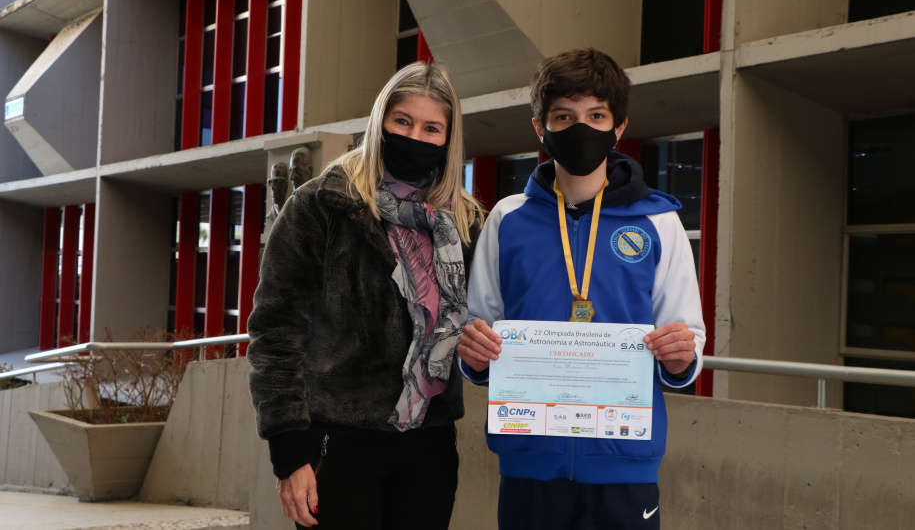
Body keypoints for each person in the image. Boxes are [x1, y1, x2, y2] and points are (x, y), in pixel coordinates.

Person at [457, 48, 705, 530]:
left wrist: (681, 356)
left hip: (623, 458)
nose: (580, 129)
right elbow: (478, 325)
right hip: (530, 455)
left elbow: (688, 338)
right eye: (563, 117)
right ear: (540, 128)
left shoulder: (659, 221)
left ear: (619, 127)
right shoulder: (508, 219)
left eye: (596, 116)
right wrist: (475, 351)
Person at [247, 61, 485, 530]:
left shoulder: (466, 222)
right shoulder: (321, 206)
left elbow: (482, 325)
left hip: (429, 443)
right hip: (337, 444)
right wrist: (289, 454)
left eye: (431, 127)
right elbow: (275, 332)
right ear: (380, 121)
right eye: (403, 121)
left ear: (448, 139)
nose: (415, 136)